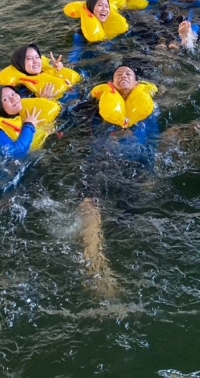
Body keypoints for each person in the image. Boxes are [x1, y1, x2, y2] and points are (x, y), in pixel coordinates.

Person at [77, 64, 160, 298]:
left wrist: (150, 172)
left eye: (128, 74)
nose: (123, 75)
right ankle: (97, 270)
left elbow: (153, 141)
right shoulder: (96, 106)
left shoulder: (149, 109)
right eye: (118, 74)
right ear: (111, 84)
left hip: (134, 165)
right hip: (100, 161)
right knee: (88, 206)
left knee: (126, 218)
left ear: (136, 83)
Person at [0, 85, 42, 158]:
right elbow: (16, 153)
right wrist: (29, 125)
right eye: (5, 99)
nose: (13, 98)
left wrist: (43, 99)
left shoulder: (17, 115)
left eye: (13, 94)